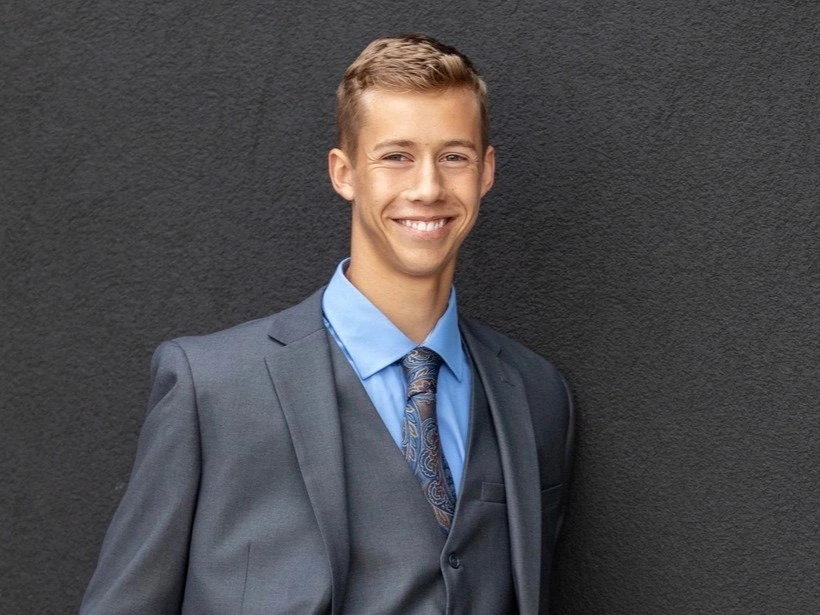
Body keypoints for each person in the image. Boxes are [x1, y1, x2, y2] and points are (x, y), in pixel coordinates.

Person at [81, 34, 574, 614]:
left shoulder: (537, 397)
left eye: (454, 156)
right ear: (344, 173)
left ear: (486, 171)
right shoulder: (212, 388)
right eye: (396, 156)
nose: (428, 188)